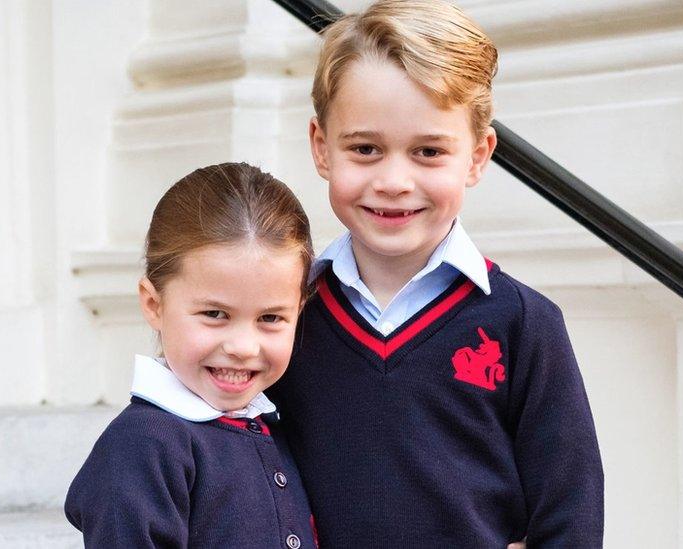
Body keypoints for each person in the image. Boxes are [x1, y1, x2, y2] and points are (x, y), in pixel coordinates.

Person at [267, 1, 604, 547]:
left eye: (428, 151)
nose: (394, 181)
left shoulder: (524, 324)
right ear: (321, 148)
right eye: (366, 149)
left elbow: (571, 509)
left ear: (477, 156)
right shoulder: (282, 316)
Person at [65, 163, 318, 548]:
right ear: (154, 304)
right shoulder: (143, 447)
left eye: (270, 318)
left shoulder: (275, 422)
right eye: (215, 314)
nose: (243, 347)